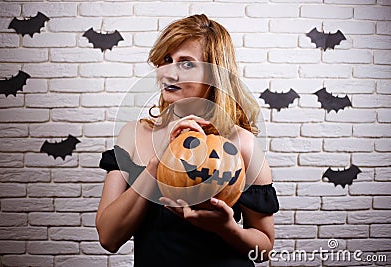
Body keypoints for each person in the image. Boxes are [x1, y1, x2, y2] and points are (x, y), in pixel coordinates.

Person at [96, 14, 279, 267]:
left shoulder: (242, 143)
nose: (169, 73)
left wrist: (226, 228)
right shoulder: (133, 135)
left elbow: (264, 249)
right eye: (167, 60)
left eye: (186, 64)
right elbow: (108, 237)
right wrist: (156, 162)